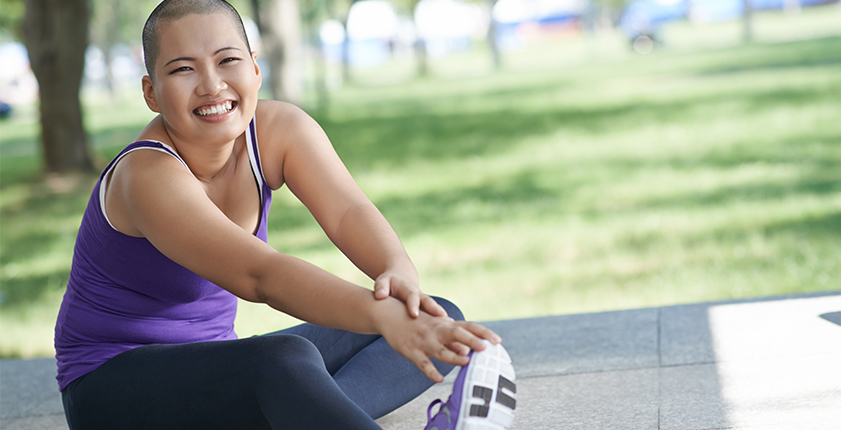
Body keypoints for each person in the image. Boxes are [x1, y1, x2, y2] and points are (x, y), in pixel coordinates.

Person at [54, 1, 516, 429]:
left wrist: (397, 275)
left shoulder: (279, 130)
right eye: (182, 69)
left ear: (255, 69)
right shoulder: (147, 174)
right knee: (282, 360)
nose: (212, 84)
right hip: (110, 387)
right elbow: (260, 276)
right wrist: (383, 319)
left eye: (227, 60)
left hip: (218, 372)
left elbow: (348, 210)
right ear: (152, 93)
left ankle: (302, 416)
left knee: (435, 315)